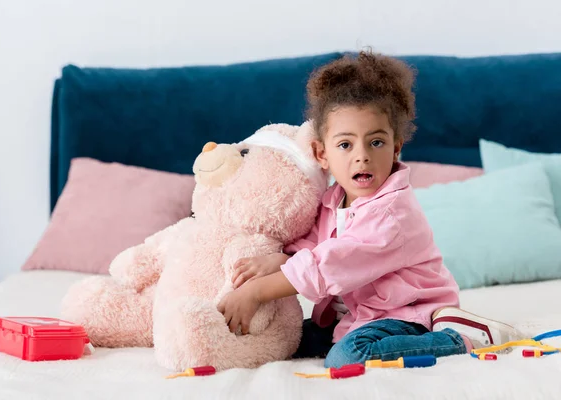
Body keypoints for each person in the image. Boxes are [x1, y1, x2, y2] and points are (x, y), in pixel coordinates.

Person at [217, 49, 520, 368]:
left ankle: (459, 338)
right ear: (322, 154)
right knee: (287, 339)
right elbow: (316, 244)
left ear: (395, 148)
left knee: (347, 357)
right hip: (359, 315)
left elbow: (330, 264)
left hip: (408, 313)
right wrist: (284, 258)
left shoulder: (391, 213)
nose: (361, 156)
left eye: (375, 142)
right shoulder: (334, 198)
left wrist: (257, 292)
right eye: (345, 145)